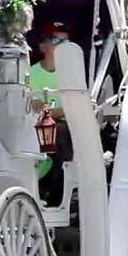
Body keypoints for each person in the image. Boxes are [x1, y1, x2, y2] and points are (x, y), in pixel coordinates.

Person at [30, 23, 74, 206]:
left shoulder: (73, 73)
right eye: (56, 40)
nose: (61, 45)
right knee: (55, 132)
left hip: (69, 126)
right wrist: (63, 110)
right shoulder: (32, 73)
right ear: (43, 46)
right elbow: (37, 109)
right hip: (39, 125)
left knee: (61, 133)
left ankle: (49, 192)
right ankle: (46, 191)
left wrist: (56, 111)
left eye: (66, 41)